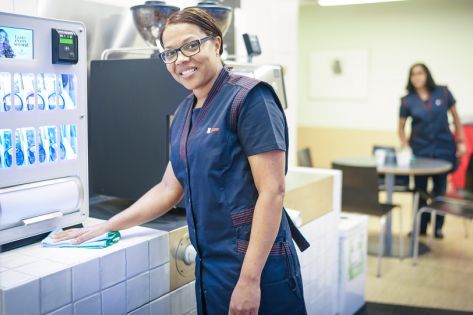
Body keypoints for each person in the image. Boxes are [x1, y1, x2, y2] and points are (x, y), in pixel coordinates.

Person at [53, 8, 308, 315]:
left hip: (257, 267)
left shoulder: (251, 99)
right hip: (212, 266)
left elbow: (273, 192)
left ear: (216, 44)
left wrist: (250, 281)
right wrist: (105, 227)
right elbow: (168, 188)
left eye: (191, 45)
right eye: (170, 52)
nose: (181, 60)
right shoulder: (186, 111)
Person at [399, 63, 466, 239]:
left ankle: (437, 227)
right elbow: (401, 128)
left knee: (440, 190)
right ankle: (419, 226)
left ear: (427, 75)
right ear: (410, 78)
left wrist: (460, 141)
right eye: (413, 74)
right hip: (420, 151)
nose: (417, 77)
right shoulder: (407, 100)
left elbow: (456, 118)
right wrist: (405, 145)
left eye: (420, 73)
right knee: (419, 190)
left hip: (444, 149)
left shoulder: (443, 92)